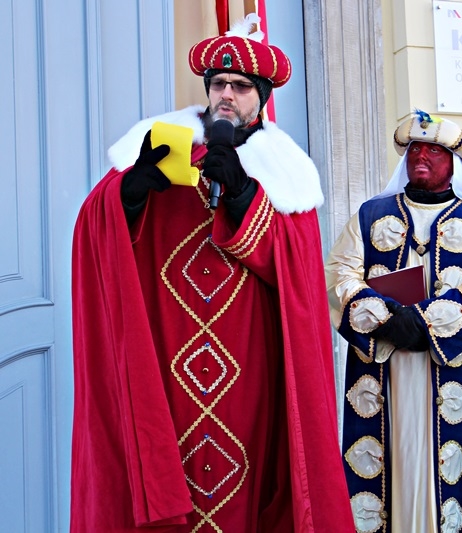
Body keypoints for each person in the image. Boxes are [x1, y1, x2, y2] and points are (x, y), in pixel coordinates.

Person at [70, 17, 354, 532]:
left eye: (240, 86)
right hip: (166, 357)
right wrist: (130, 191)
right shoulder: (160, 149)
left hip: (249, 365)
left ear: (261, 97)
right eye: (219, 83)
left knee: (244, 480)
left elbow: (295, 272)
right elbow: (95, 228)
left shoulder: (282, 170)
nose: (226, 94)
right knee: (169, 466)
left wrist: (243, 195)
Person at [325, 110, 462, 532]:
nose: (420, 157)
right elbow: (339, 274)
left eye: (433, 151)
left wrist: (422, 323)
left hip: (449, 366)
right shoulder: (370, 215)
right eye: (413, 149)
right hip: (382, 361)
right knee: (386, 458)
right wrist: (387, 319)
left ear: (453, 164)